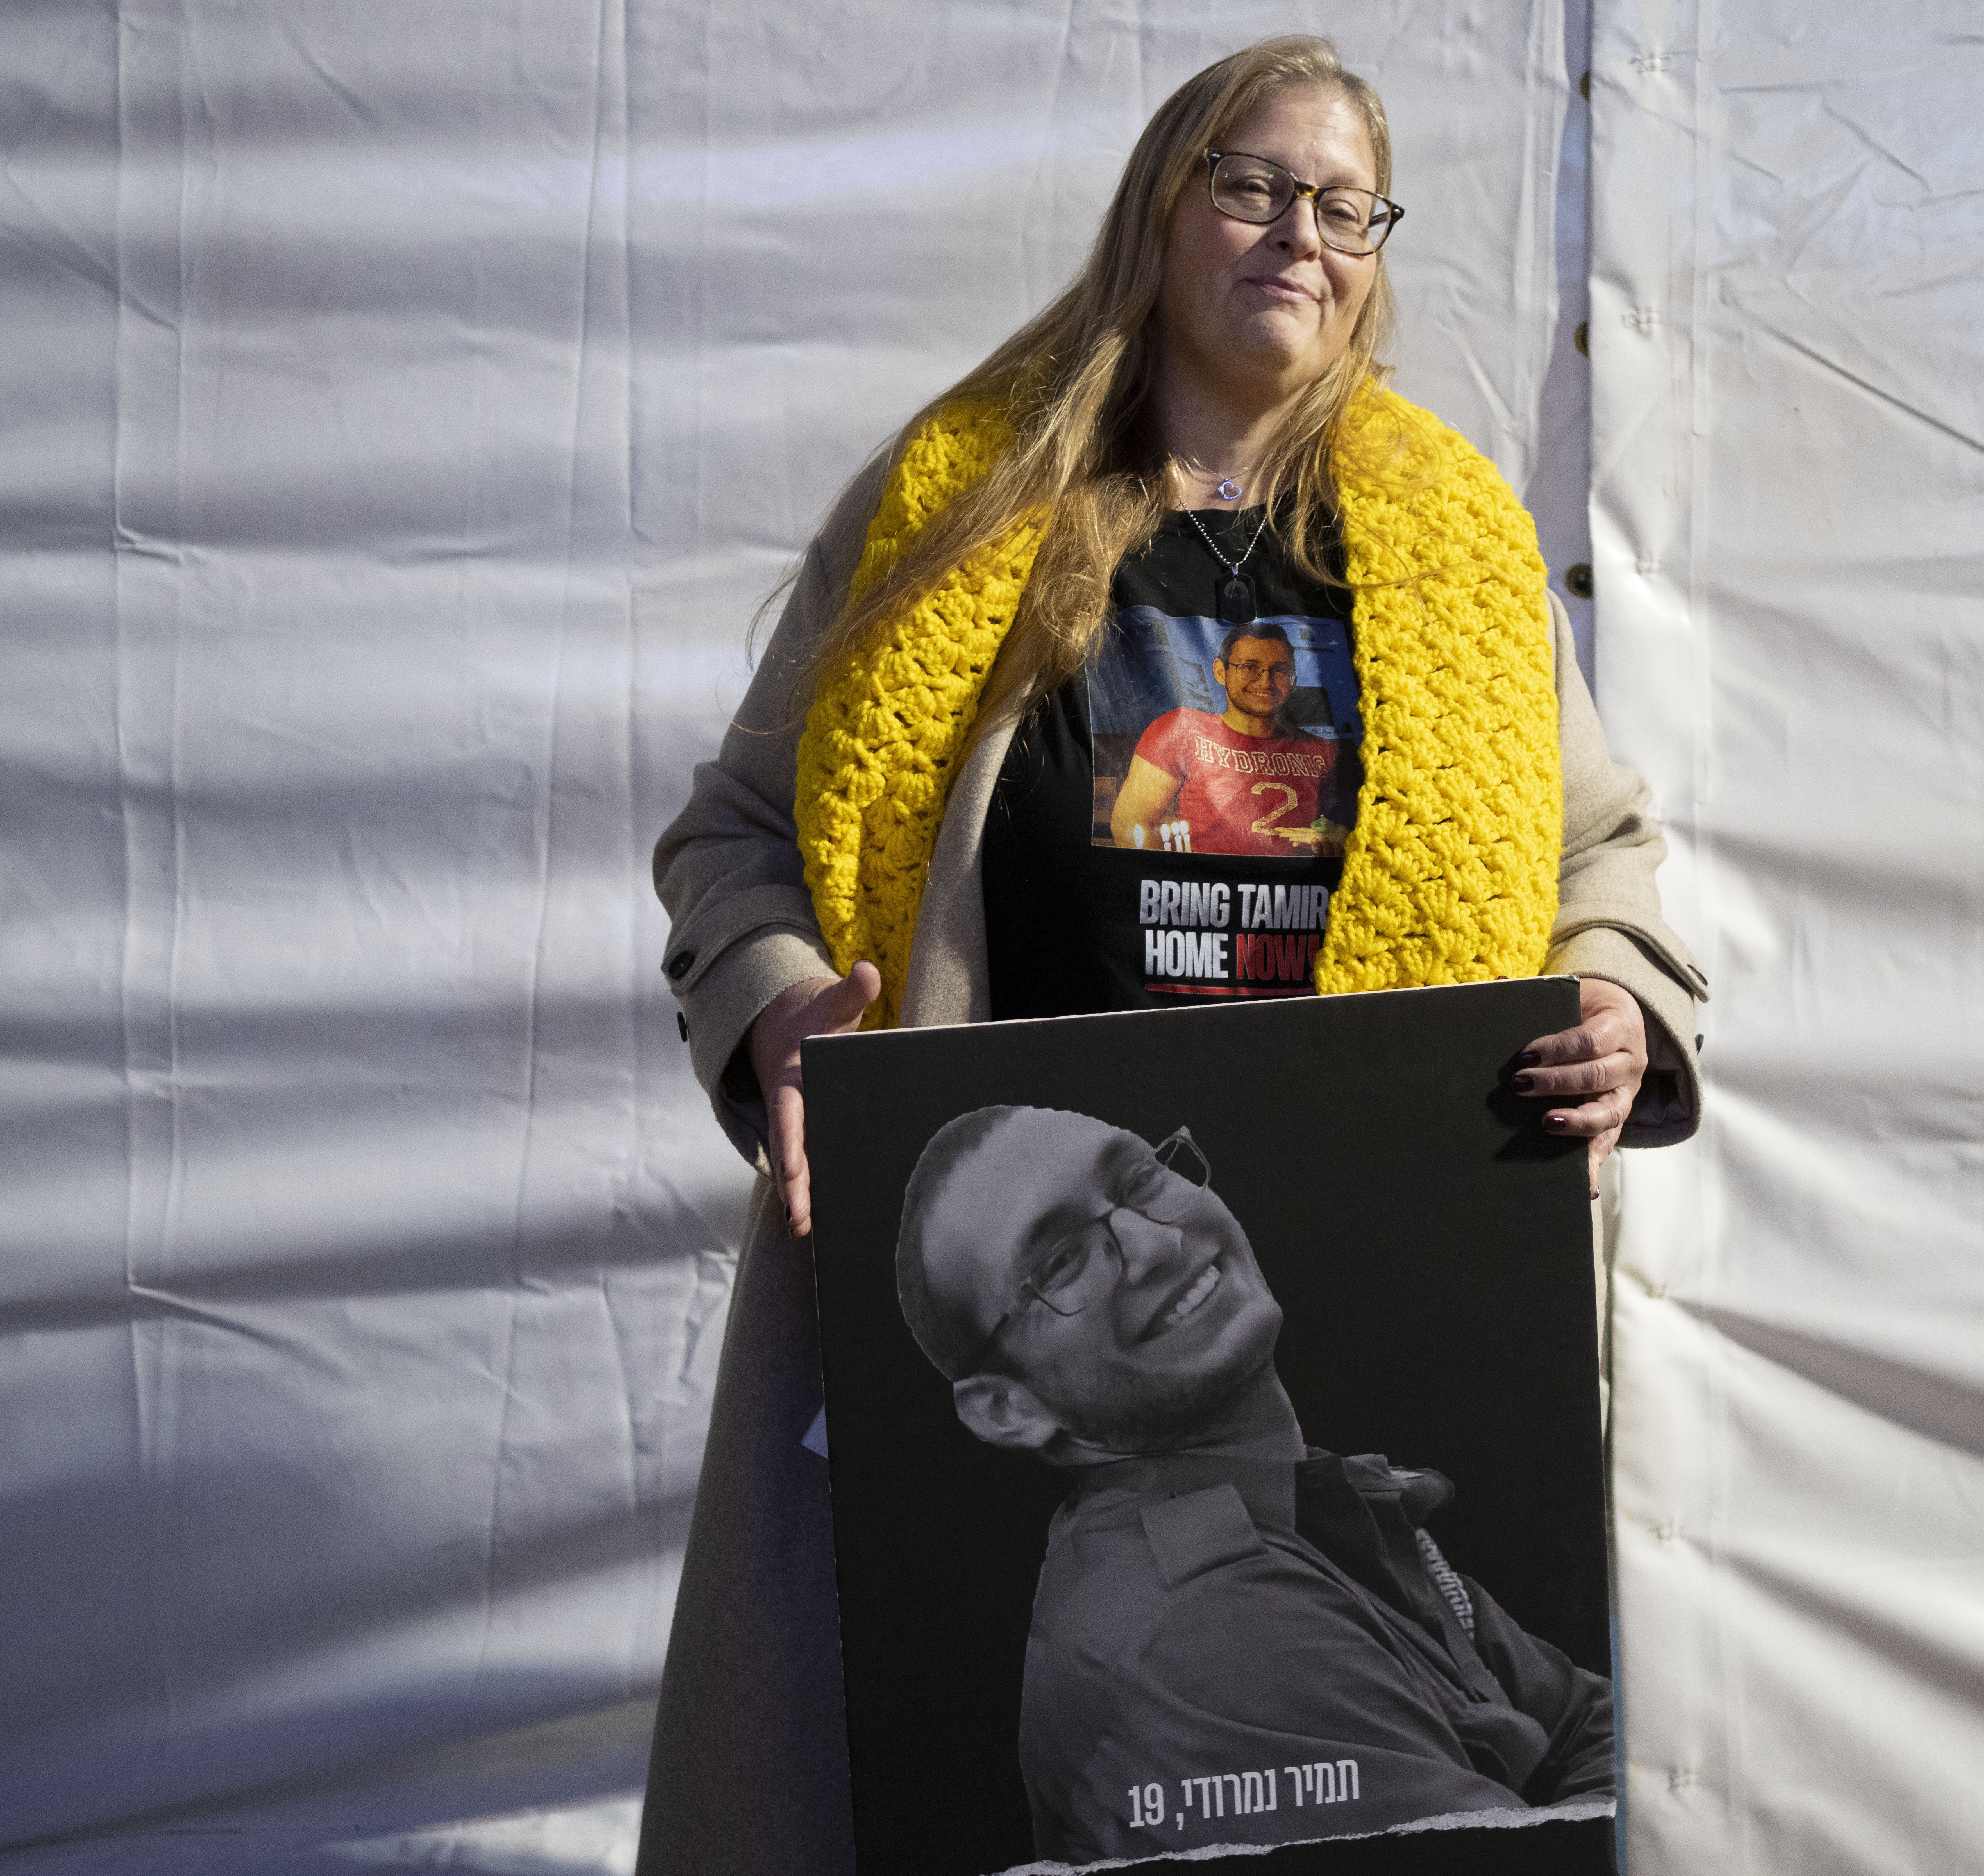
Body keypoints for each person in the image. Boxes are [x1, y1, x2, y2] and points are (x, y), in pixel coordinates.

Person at [640, 34, 1707, 1875]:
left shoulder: (1457, 552)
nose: (1301, 228)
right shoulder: (958, 501)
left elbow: (1596, 858)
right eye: (1251, 184)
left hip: (1359, 1263)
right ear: (1159, 212)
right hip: (1008, 1298)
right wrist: (774, 1005)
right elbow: (733, 831)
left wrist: (1616, 992)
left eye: (1343, 201)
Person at [898, 1106, 1614, 1864]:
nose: (1156, 1242)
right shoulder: (1200, 1629)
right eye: (1061, 1262)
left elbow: (1589, 1724)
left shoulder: (1310, 1501)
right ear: (1008, 1408)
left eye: (1142, 1179)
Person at [1109, 621, 1351, 856]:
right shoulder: (1183, 727)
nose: (1266, 681)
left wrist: (1342, 839)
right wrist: (1179, 883)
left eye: (1280, 670)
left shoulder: (1322, 749)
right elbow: (1130, 822)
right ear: (1220, 672)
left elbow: (1344, 826)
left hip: (1292, 892)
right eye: (1249, 667)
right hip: (1205, 890)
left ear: (1293, 680)